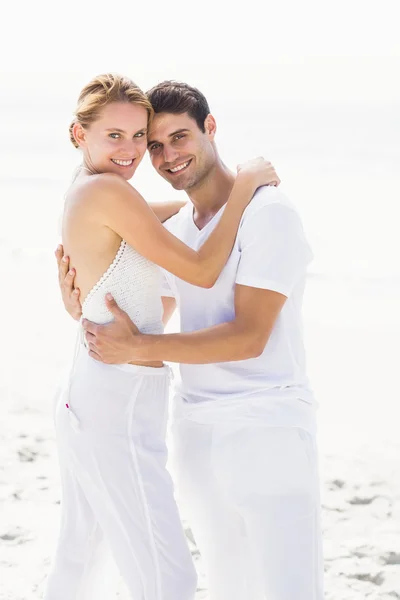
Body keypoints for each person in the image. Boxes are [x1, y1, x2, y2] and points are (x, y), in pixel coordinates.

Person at [58, 81, 323, 600]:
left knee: (286, 588)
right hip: (191, 428)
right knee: (214, 583)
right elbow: (169, 286)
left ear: (211, 129)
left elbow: (245, 336)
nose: (160, 155)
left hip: (262, 426)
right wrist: (86, 304)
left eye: (175, 138)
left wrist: (133, 343)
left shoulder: (266, 215)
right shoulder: (176, 220)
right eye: (150, 143)